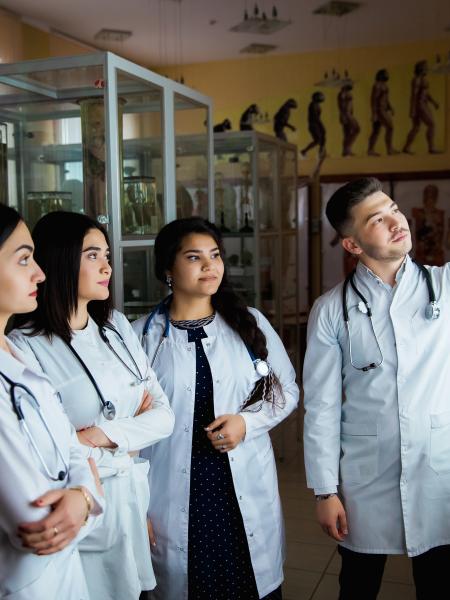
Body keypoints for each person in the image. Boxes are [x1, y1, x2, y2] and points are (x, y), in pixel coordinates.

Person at [9, 211, 175, 600]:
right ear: (61, 261)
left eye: (106, 255)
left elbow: (165, 415)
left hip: (131, 501)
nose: (107, 266)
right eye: (92, 255)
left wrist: (99, 435)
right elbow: (51, 454)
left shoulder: (115, 326)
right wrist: (128, 435)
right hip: (83, 515)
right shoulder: (24, 346)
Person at [132, 217, 299, 600]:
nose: (211, 266)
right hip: (172, 489)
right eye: (195, 257)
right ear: (167, 270)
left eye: (215, 255)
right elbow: (131, 426)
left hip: (237, 484)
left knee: (246, 580)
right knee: (188, 584)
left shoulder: (249, 322)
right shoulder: (140, 336)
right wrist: (135, 507)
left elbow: (285, 391)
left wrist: (247, 423)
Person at [303, 177, 450, 600]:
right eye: (376, 219)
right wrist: (325, 491)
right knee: (358, 585)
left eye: (393, 210)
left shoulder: (442, 287)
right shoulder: (332, 310)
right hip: (366, 475)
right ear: (352, 244)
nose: (395, 222)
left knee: (438, 579)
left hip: (436, 466)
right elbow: (323, 407)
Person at [0, 204, 103, 600]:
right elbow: (38, 525)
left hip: (61, 579)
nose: (39, 273)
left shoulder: (16, 357)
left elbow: (74, 453)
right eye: (24, 259)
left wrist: (80, 497)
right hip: (25, 584)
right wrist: (87, 495)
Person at [403, 60, 440, 154]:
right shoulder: (417, 80)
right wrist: (412, 110)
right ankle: (431, 148)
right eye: (425, 67)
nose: (427, 69)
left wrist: (433, 102)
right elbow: (414, 95)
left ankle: (406, 147)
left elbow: (426, 93)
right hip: (419, 105)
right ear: (421, 69)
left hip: (423, 104)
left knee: (416, 127)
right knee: (431, 124)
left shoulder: (423, 80)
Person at [367, 69, 397, 156]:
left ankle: (371, 150)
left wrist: (390, 107)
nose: (387, 75)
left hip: (383, 109)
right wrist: (374, 113)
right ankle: (389, 149)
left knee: (376, 131)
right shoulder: (377, 85)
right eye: (385, 74)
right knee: (390, 127)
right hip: (379, 110)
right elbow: (374, 100)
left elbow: (386, 99)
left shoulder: (384, 85)